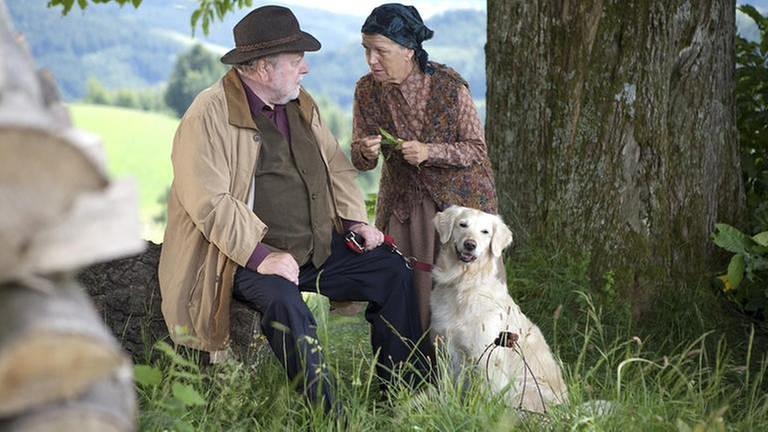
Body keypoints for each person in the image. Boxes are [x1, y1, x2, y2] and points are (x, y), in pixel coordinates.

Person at [158, 5, 425, 412]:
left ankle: (401, 396)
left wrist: (355, 221)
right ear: (264, 68)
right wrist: (262, 256)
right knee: (287, 305)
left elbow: (335, 164)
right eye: (297, 60)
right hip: (239, 258)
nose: (305, 70)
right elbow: (208, 202)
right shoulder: (207, 115)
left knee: (391, 271)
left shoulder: (299, 102)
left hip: (314, 247)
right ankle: (329, 415)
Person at [351, 4, 499, 335]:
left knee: (465, 294)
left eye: (380, 51)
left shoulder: (449, 86)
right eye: (366, 50)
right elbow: (362, 162)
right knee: (406, 288)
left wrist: (429, 152)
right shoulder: (366, 90)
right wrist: (362, 151)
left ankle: (473, 374)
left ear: (408, 50)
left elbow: (476, 149)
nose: (372, 60)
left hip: (459, 204)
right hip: (406, 208)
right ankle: (411, 372)